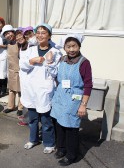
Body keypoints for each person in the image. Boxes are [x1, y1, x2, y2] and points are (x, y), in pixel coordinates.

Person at [19, 23, 62, 154]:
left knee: (46, 120)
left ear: (49, 35)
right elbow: (23, 66)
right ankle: (33, 139)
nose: (40, 35)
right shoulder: (31, 49)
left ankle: (49, 143)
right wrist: (32, 61)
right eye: (38, 32)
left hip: (45, 90)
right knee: (32, 118)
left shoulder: (55, 52)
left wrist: (49, 62)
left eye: (43, 32)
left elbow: (55, 73)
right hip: (31, 89)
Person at [50, 34, 92, 166]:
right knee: (59, 124)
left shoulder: (84, 62)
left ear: (79, 46)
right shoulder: (62, 59)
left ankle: (72, 155)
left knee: (71, 127)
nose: (71, 49)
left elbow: (88, 85)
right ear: (64, 48)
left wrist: (83, 105)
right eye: (68, 46)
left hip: (74, 98)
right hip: (60, 96)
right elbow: (56, 77)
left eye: (74, 46)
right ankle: (61, 148)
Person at [2, 27, 25, 116]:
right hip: (11, 69)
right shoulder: (8, 43)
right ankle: (10, 106)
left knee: (20, 90)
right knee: (11, 89)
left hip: (20, 69)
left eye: (9, 33)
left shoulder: (19, 43)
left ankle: (20, 107)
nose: (8, 35)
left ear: (13, 32)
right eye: (6, 34)